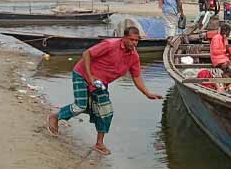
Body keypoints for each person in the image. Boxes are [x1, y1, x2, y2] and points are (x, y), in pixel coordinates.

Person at [47, 26, 162, 155]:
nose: (134, 43)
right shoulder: (110, 45)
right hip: (82, 74)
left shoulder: (134, 56)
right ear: (124, 37)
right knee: (80, 106)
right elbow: (87, 54)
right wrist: (90, 77)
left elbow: (136, 76)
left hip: (100, 83)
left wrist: (147, 93)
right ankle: (55, 116)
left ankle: (99, 143)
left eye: (137, 41)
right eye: (131, 40)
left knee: (106, 111)